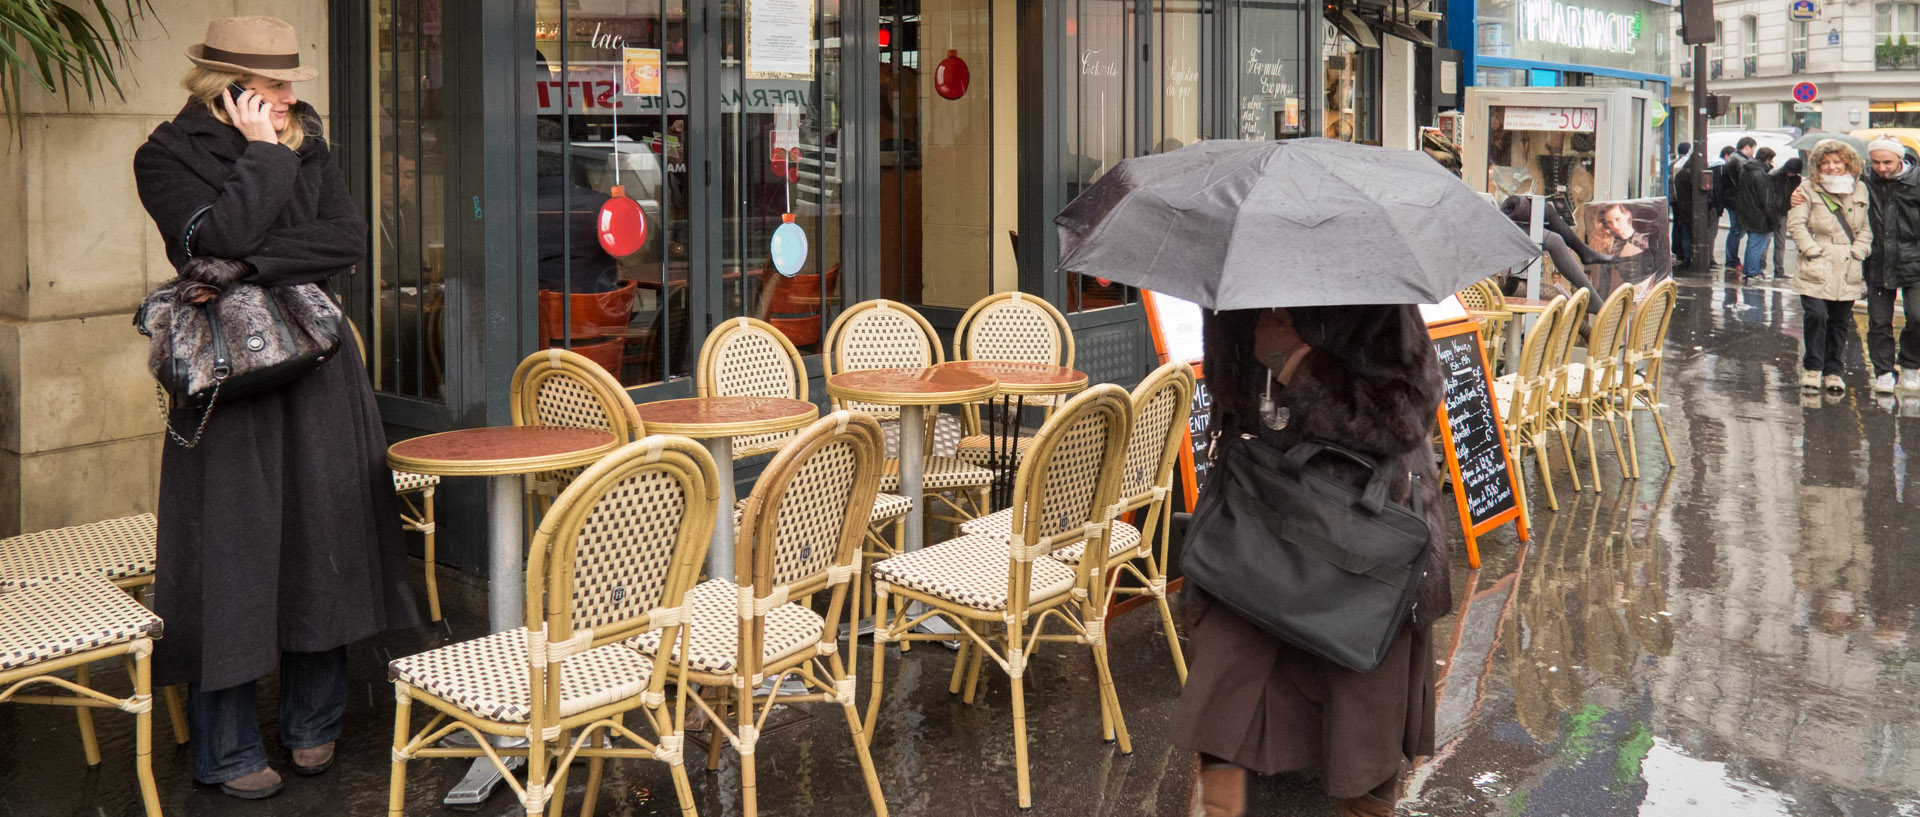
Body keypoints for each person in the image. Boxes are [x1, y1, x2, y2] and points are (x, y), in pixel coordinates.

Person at [131, 16, 415, 800]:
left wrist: (246, 265)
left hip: (321, 373)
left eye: (291, 85)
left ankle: (313, 722)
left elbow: (346, 240)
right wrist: (259, 160)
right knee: (230, 554)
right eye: (274, 87)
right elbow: (205, 239)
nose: (290, 99)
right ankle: (223, 750)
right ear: (226, 90)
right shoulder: (165, 155)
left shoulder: (307, 139)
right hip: (230, 387)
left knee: (322, 535)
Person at [1173, 305, 1451, 817]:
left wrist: (1298, 365)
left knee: (1363, 707)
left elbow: (1406, 419)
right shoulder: (1237, 292)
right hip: (1258, 519)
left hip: (1359, 539)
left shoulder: (1378, 297)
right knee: (1225, 685)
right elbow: (1229, 398)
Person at [1786, 140, 1872, 392]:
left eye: (1837, 161)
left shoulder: (1861, 190)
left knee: (1840, 322)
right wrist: (1811, 248)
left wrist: (1860, 250)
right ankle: (1812, 368)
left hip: (1848, 263)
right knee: (1816, 315)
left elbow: (1866, 227)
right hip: (1817, 261)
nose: (1832, 167)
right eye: (1826, 162)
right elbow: (1796, 224)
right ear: (1817, 165)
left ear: (1848, 163)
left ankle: (1834, 371)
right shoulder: (1806, 189)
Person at [1863, 139, 1920, 393]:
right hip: (1877, 260)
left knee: (1918, 316)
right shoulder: (1864, 181)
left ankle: (1910, 364)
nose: (1881, 168)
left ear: (1900, 159)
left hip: (1914, 261)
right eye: (1876, 162)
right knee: (1878, 320)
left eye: (1887, 162)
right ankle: (1884, 371)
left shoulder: (1916, 182)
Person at [1732, 146, 1778, 278]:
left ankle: (1749, 269)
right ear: (1768, 159)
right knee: (1757, 243)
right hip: (1759, 214)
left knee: (1753, 242)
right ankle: (1752, 271)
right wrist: (1772, 218)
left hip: (1747, 211)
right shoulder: (1760, 174)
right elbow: (1766, 198)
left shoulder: (1746, 169)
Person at [1720, 139, 1758, 271]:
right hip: (1737, 201)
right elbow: (1745, 181)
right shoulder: (1741, 162)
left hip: (1732, 199)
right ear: (1747, 147)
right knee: (1737, 230)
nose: (1754, 152)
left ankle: (1731, 259)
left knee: (1736, 230)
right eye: (1753, 148)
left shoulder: (1733, 158)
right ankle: (1732, 260)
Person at [1770, 157, 1805, 278]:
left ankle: (1779, 270)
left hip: (1783, 211)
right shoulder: (1775, 176)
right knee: (1771, 242)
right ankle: (1769, 268)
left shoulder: (1796, 180)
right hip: (1775, 211)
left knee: (1780, 243)